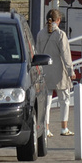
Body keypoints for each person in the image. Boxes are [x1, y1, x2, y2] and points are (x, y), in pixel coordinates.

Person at [35, 9, 76, 137]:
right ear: (58, 20)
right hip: (59, 73)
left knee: (46, 103)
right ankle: (64, 128)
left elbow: (37, 53)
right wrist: (71, 71)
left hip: (45, 72)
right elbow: (65, 55)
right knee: (65, 100)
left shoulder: (40, 34)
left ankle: (46, 129)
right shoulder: (60, 35)